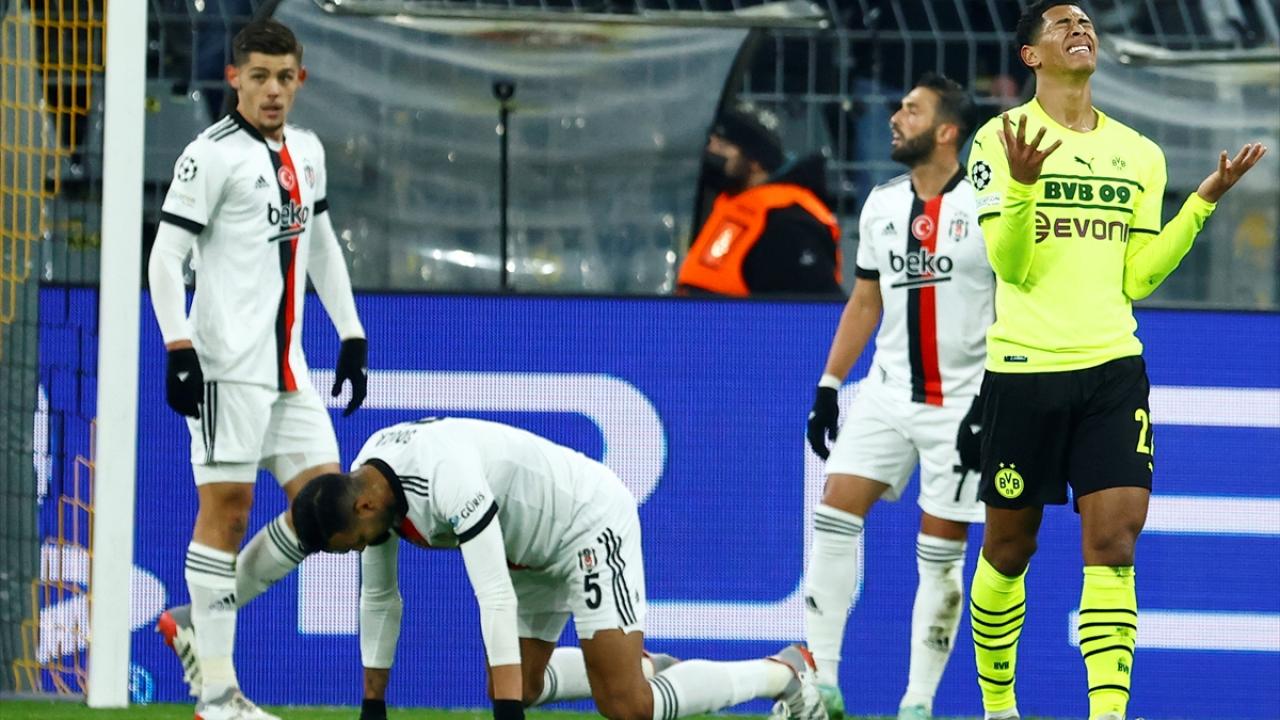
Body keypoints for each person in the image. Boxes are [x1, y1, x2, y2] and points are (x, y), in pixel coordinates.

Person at [964, 3, 1267, 720]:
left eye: (1086, 22)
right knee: (1009, 548)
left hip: (1112, 368)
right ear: (1031, 55)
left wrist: (1200, 205)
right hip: (1026, 370)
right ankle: (999, 706)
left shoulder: (1138, 153)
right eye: (1062, 24)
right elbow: (1012, 266)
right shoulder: (999, 139)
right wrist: (1023, 185)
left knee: (1114, 540)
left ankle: (1108, 713)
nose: (1081, 29)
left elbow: (1138, 278)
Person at [289, 417, 828, 720]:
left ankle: (784, 673)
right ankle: (638, 665)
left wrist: (506, 717)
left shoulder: (444, 476)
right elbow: (379, 597)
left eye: (350, 545)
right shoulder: (366, 490)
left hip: (584, 523)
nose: (357, 551)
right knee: (519, 684)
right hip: (524, 549)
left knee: (626, 708)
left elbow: (493, 596)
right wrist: (373, 706)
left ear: (364, 507)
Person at [147, 19, 369, 720]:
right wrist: (178, 347)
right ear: (234, 79)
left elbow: (322, 243)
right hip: (226, 367)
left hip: (289, 370)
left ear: (300, 79)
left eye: (284, 77)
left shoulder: (307, 150)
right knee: (229, 510)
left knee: (331, 511)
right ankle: (218, 694)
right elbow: (164, 258)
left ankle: (194, 621)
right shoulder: (208, 156)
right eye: (259, 77)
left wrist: (351, 331)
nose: (273, 90)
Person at [803, 74, 991, 720]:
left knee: (939, 557)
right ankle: (823, 683)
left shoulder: (989, 207)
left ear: (946, 131)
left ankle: (917, 702)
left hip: (962, 404)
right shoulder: (882, 204)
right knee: (834, 512)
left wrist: (993, 401)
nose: (895, 118)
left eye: (912, 111)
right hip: (886, 394)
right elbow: (865, 299)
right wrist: (830, 386)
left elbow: (1016, 306)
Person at [676, 102, 844, 297]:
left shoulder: (786, 221)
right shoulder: (732, 204)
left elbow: (814, 307)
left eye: (723, 146)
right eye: (711, 143)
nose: (711, 154)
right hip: (701, 315)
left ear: (755, 163)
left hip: (738, 318)